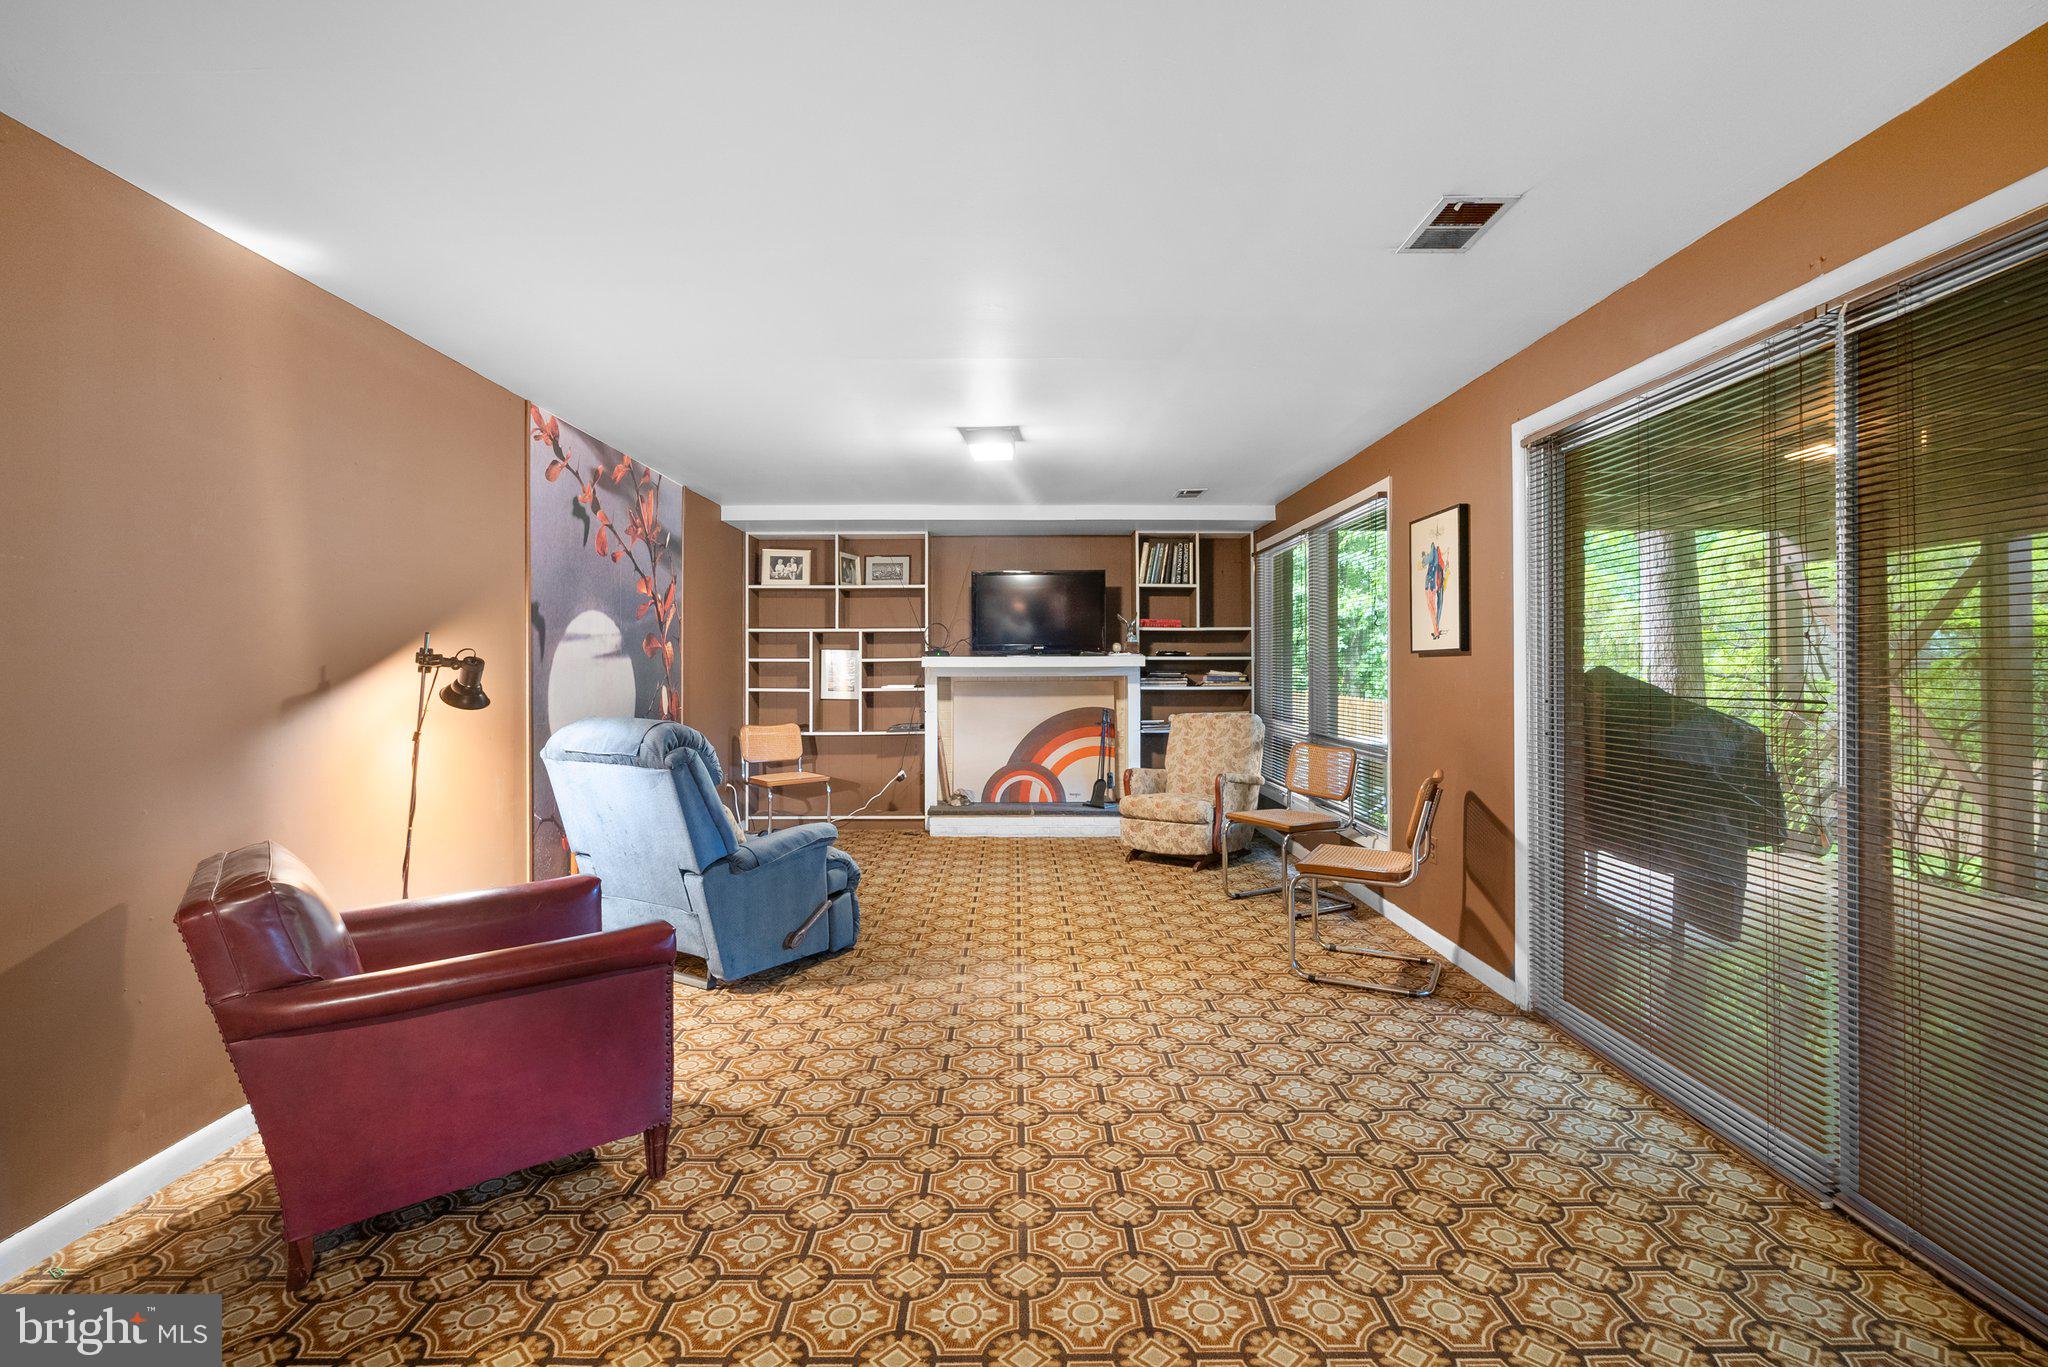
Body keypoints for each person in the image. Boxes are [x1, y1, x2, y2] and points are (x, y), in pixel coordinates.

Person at [1421, 540, 1448, 639]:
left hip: (1432, 584)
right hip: (1438, 583)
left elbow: (1425, 561)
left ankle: (1436, 631)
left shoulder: (1433, 549)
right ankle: (1436, 630)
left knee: (1432, 608)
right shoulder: (1439, 555)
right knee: (1438, 606)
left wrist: (1424, 558)